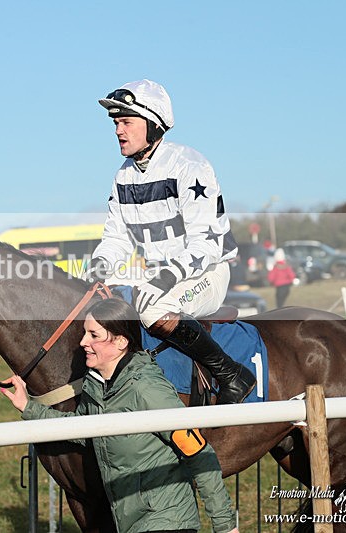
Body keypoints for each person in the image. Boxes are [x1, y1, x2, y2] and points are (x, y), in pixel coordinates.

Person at [1, 299, 238, 533]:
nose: (83, 342)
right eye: (85, 333)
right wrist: (28, 407)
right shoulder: (96, 385)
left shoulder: (147, 390)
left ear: (121, 341)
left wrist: (225, 526)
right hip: (129, 523)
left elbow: (199, 453)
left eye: (94, 335)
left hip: (167, 522)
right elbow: (80, 429)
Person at [88, 79, 255, 404]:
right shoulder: (123, 176)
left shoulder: (189, 166)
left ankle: (231, 373)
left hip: (204, 273)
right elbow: (116, 238)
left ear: (152, 124)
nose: (118, 131)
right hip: (155, 275)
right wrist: (99, 268)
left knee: (154, 308)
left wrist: (164, 277)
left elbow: (206, 245)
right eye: (116, 123)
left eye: (126, 122)